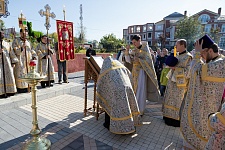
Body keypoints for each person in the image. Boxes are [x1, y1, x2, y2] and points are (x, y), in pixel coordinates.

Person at [180, 35, 225, 150]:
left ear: (210, 50)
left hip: (209, 108)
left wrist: (195, 55)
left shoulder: (221, 63)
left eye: (202, 53)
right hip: (202, 106)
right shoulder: (212, 62)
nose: (201, 57)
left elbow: (199, 71)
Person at [96, 56, 141, 134]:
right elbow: (129, 74)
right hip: (127, 87)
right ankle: (130, 125)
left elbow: (101, 82)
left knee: (109, 100)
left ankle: (109, 125)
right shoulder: (120, 65)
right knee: (127, 107)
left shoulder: (106, 69)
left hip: (116, 90)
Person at [125, 34, 160, 115]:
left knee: (140, 91)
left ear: (139, 41)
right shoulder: (135, 50)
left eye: (135, 42)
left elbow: (149, 62)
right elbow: (128, 61)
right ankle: (133, 108)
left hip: (141, 74)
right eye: (132, 43)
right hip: (134, 73)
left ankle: (140, 110)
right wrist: (127, 52)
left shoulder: (145, 49)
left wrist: (139, 60)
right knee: (134, 90)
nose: (134, 44)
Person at [162, 39, 192, 127]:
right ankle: (167, 117)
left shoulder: (188, 57)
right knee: (169, 98)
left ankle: (175, 120)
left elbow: (188, 72)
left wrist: (176, 69)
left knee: (177, 101)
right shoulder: (177, 55)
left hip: (180, 85)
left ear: (182, 45)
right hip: (172, 81)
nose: (175, 47)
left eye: (177, 45)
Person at [12, 28, 37, 93]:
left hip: (28, 61)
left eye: (26, 34)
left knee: (29, 73)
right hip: (20, 61)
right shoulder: (16, 40)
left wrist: (34, 55)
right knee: (21, 73)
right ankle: (21, 88)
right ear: (20, 33)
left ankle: (29, 86)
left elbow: (32, 49)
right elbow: (14, 50)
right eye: (23, 34)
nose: (25, 35)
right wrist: (21, 48)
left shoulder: (28, 41)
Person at [0, 29, 18, 98]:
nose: (2, 35)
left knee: (9, 77)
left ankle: (9, 91)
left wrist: (13, 61)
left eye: (3, 34)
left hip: (7, 64)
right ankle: (1, 92)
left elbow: (11, 53)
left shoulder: (7, 44)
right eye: (1, 34)